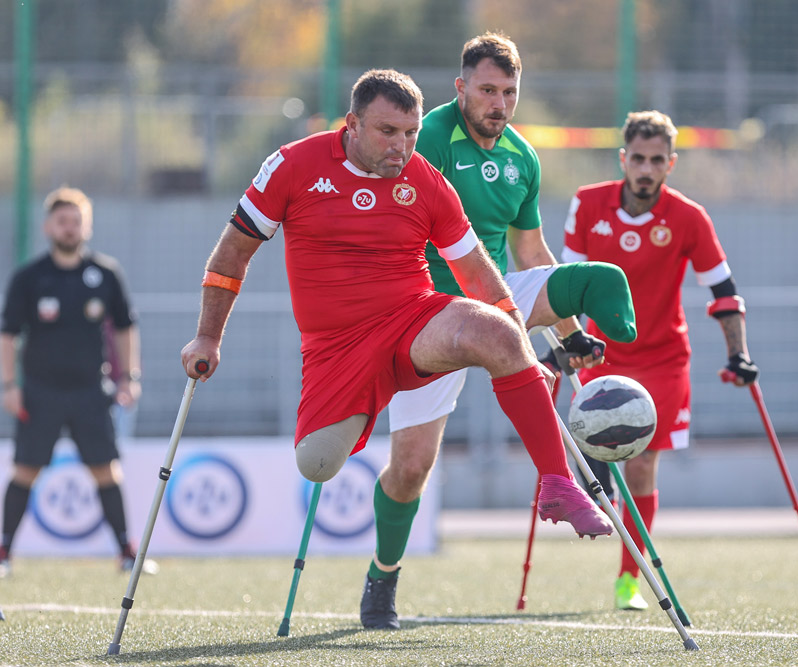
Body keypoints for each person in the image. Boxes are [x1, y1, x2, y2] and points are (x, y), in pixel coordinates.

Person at [178, 68, 615, 625]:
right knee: (318, 463)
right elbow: (232, 255)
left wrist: (517, 342)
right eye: (388, 131)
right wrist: (208, 336)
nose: (402, 146)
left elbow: (476, 269)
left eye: (410, 132)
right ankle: (379, 563)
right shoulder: (293, 165)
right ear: (352, 123)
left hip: (412, 320)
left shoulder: (425, 180)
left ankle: (557, 482)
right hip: (335, 348)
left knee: (498, 331)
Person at [366, 33, 638, 630]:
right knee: (411, 468)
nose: (499, 103)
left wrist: (565, 334)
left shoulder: (523, 157)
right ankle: (382, 578)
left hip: (491, 298)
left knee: (574, 277)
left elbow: (530, 252)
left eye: (509, 92)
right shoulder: (426, 138)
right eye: (487, 90)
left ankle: (561, 473)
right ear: (461, 87)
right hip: (421, 310)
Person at [562, 111, 759, 611]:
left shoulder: (689, 217)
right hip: (601, 352)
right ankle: (596, 482)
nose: (646, 169)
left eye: (657, 161)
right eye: (638, 159)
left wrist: (739, 354)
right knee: (593, 457)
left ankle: (631, 577)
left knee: (644, 463)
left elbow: (724, 291)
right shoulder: (587, 204)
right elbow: (563, 284)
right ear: (622, 159)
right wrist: (566, 341)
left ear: (670, 164)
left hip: (664, 358)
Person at [0, 186, 151, 577]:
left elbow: (125, 327)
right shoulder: (30, 278)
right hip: (39, 392)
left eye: (76, 221)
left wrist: (129, 377)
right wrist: (8, 385)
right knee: (25, 471)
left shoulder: (105, 273)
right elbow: (7, 335)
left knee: (106, 470)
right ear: (49, 226)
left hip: (90, 391)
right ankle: (4, 555)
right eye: (62, 221)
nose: (69, 229)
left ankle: (125, 552)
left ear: (88, 226)